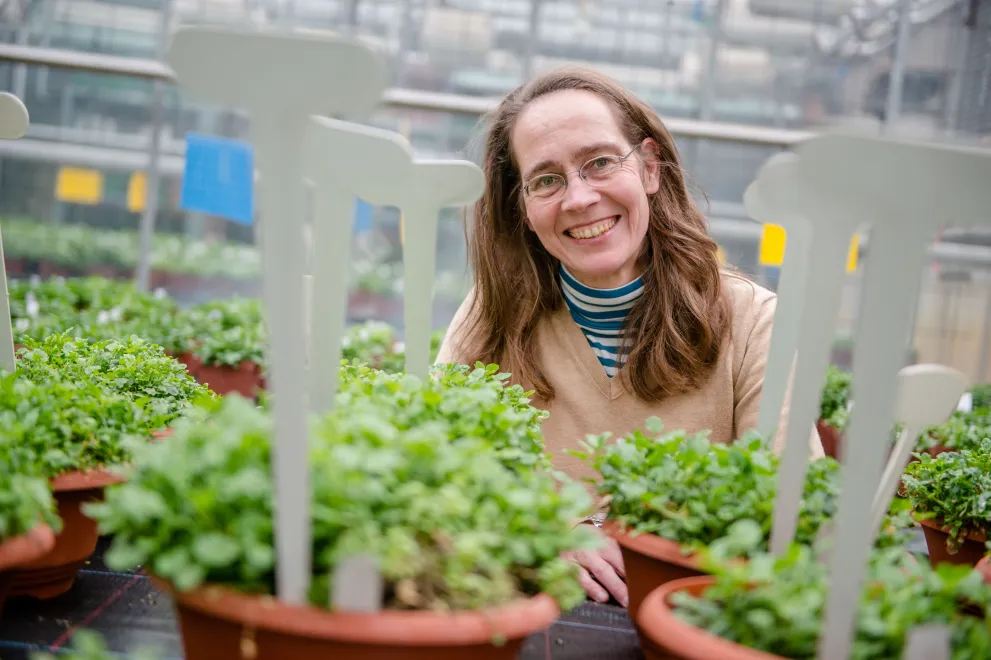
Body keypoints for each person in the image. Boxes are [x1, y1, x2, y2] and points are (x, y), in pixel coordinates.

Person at [435, 67, 824, 608]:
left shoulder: (754, 320)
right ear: (522, 207)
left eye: (599, 162)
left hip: (692, 617)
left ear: (649, 168)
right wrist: (547, 537)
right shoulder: (490, 318)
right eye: (545, 179)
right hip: (532, 619)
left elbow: (794, 512)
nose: (578, 198)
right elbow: (439, 487)